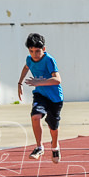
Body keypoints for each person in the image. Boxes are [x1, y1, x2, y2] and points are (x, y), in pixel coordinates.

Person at [17, 33, 64, 164]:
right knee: (35, 116)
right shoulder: (29, 59)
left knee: (53, 126)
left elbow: (57, 80)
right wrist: (20, 83)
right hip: (40, 95)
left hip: (55, 98)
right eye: (31, 51)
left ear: (43, 49)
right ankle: (39, 147)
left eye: (37, 51)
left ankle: (55, 146)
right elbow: (26, 67)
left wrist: (38, 82)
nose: (34, 54)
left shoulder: (49, 60)